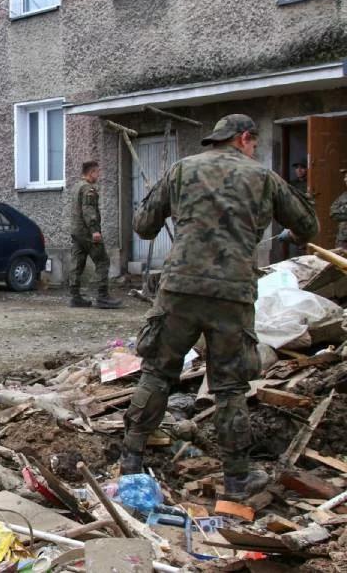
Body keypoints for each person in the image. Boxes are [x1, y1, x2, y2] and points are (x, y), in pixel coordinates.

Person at [120, 114, 317, 501]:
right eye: (254, 143)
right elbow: (308, 227)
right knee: (229, 387)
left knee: (158, 373)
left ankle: (130, 459)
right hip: (232, 294)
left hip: (179, 289)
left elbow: (143, 226)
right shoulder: (262, 177)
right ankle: (237, 478)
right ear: (245, 138)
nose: (254, 149)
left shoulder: (181, 170)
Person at [67, 160, 121, 309]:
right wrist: (94, 230)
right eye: (97, 172)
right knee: (103, 261)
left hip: (77, 232)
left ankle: (75, 297)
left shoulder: (76, 187)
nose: (99, 175)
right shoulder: (88, 189)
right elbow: (88, 210)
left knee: (77, 263)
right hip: (87, 233)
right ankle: (102, 296)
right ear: (91, 173)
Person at [331, 170, 347, 249]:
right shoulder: (343, 197)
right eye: (345, 177)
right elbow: (333, 214)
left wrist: (342, 210)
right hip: (343, 239)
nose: (345, 179)